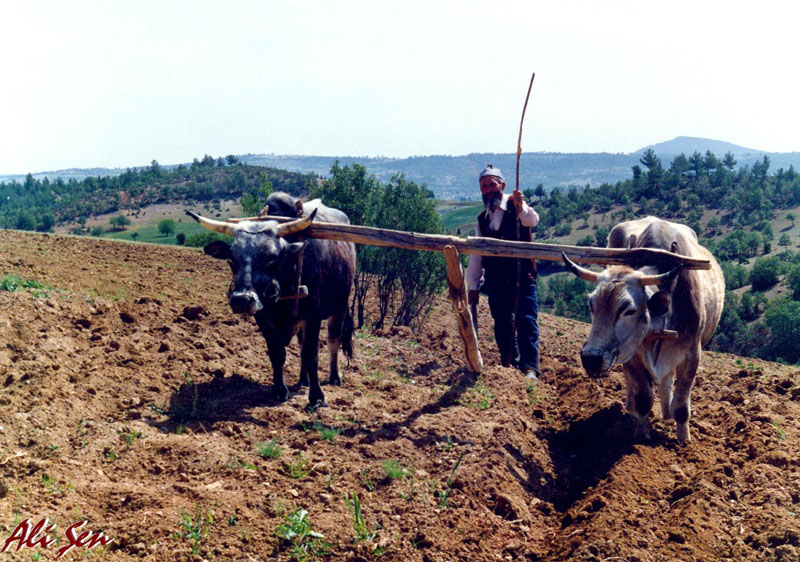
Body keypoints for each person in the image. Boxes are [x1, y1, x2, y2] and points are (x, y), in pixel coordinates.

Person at [466, 164, 540, 379]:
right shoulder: (483, 218)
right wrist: (473, 285)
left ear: (502, 185)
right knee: (502, 323)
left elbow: (531, 220)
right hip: (496, 281)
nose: (488, 190)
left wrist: (522, 206)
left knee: (526, 321)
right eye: (484, 186)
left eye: (492, 184)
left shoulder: (516, 206)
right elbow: (477, 254)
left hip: (522, 276)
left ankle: (529, 369)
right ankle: (508, 365)